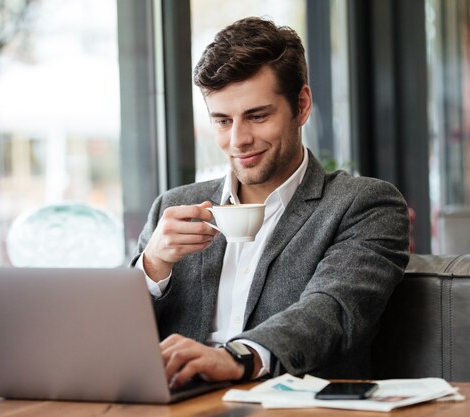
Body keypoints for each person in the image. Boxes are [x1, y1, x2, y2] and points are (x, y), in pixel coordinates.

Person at [131, 16, 410, 388]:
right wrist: (152, 266)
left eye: (257, 116)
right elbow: (116, 341)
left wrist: (235, 358)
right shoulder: (172, 207)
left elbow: (331, 311)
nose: (238, 140)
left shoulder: (364, 206)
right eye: (222, 121)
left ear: (302, 105)